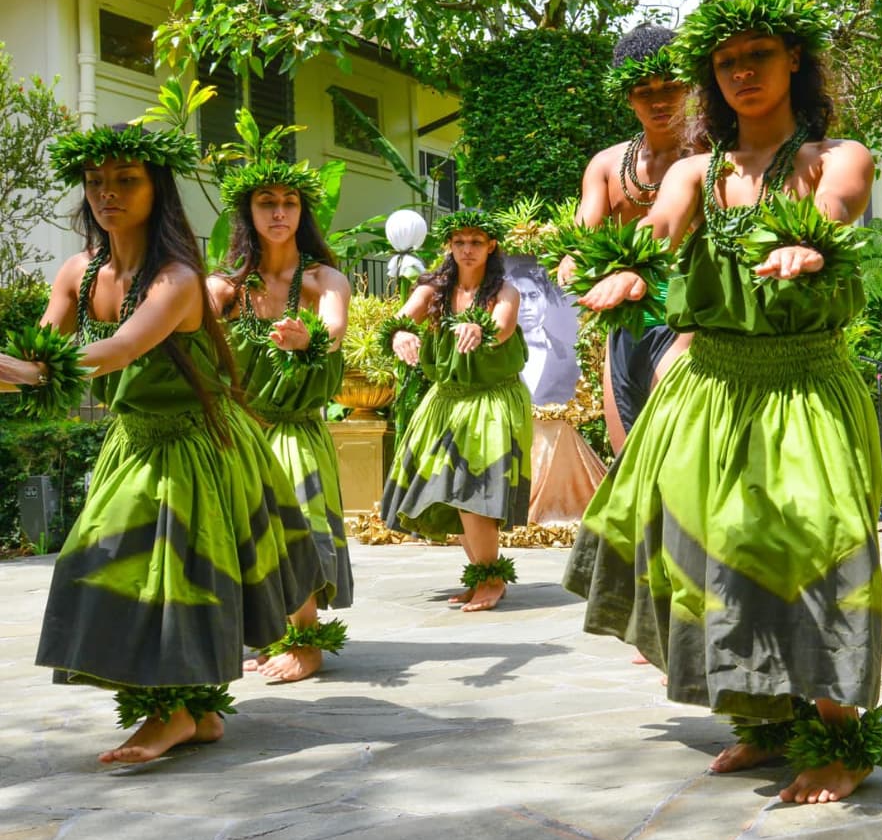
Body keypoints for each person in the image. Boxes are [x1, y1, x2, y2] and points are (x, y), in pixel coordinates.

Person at [563, 0, 882, 804]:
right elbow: (660, 232)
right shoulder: (691, 172)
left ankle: (841, 737)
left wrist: (808, 249)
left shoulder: (836, 156)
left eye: (758, 56)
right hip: (708, 387)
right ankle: (768, 720)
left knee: (813, 549)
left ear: (793, 63)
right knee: (708, 555)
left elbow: (834, 208)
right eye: (726, 62)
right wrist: (629, 265)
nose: (743, 72)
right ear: (710, 79)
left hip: (802, 382)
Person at [0, 125, 329, 764]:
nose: (107, 194)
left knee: (177, 578)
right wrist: (18, 369)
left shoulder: (177, 278)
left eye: (126, 180)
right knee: (103, 568)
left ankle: (174, 712)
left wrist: (31, 371)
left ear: (158, 189)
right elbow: (41, 353)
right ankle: (194, 714)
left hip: (196, 443)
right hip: (136, 439)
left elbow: (116, 350)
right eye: (96, 182)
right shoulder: (78, 270)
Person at [208, 156, 353, 683]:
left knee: (295, 530)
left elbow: (334, 331)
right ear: (248, 212)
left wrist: (307, 339)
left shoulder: (322, 278)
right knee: (250, 535)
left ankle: (307, 642)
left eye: (290, 203)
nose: (279, 212)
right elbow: (186, 319)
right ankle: (274, 633)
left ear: (302, 213)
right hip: (242, 430)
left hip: (294, 426)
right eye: (267, 202)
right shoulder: (226, 286)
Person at [380, 210, 532, 612]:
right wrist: (400, 335)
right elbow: (398, 321)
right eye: (460, 242)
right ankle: (483, 572)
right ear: (449, 246)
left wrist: (480, 327)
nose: (467, 250)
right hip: (445, 399)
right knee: (444, 490)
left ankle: (491, 578)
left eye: (476, 242)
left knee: (471, 489)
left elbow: (502, 326)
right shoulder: (433, 291)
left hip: (491, 399)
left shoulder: (504, 291)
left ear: (491, 246)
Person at [558, 25, 694, 453]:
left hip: (693, 323)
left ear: (690, 86)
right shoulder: (608, 165)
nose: (658, 100)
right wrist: (573, 260)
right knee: (629, 461)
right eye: (642, 90)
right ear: (626, 95)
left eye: (670, 87)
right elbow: (583, 237)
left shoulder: (717, 159)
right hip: (626, 325)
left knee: (678, 455)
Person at [505, 258, 581, 405]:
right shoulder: (494, 353)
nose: (525, 305)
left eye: (533, 296)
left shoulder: (571, 354)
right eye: (518, 297)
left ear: (545, 299)